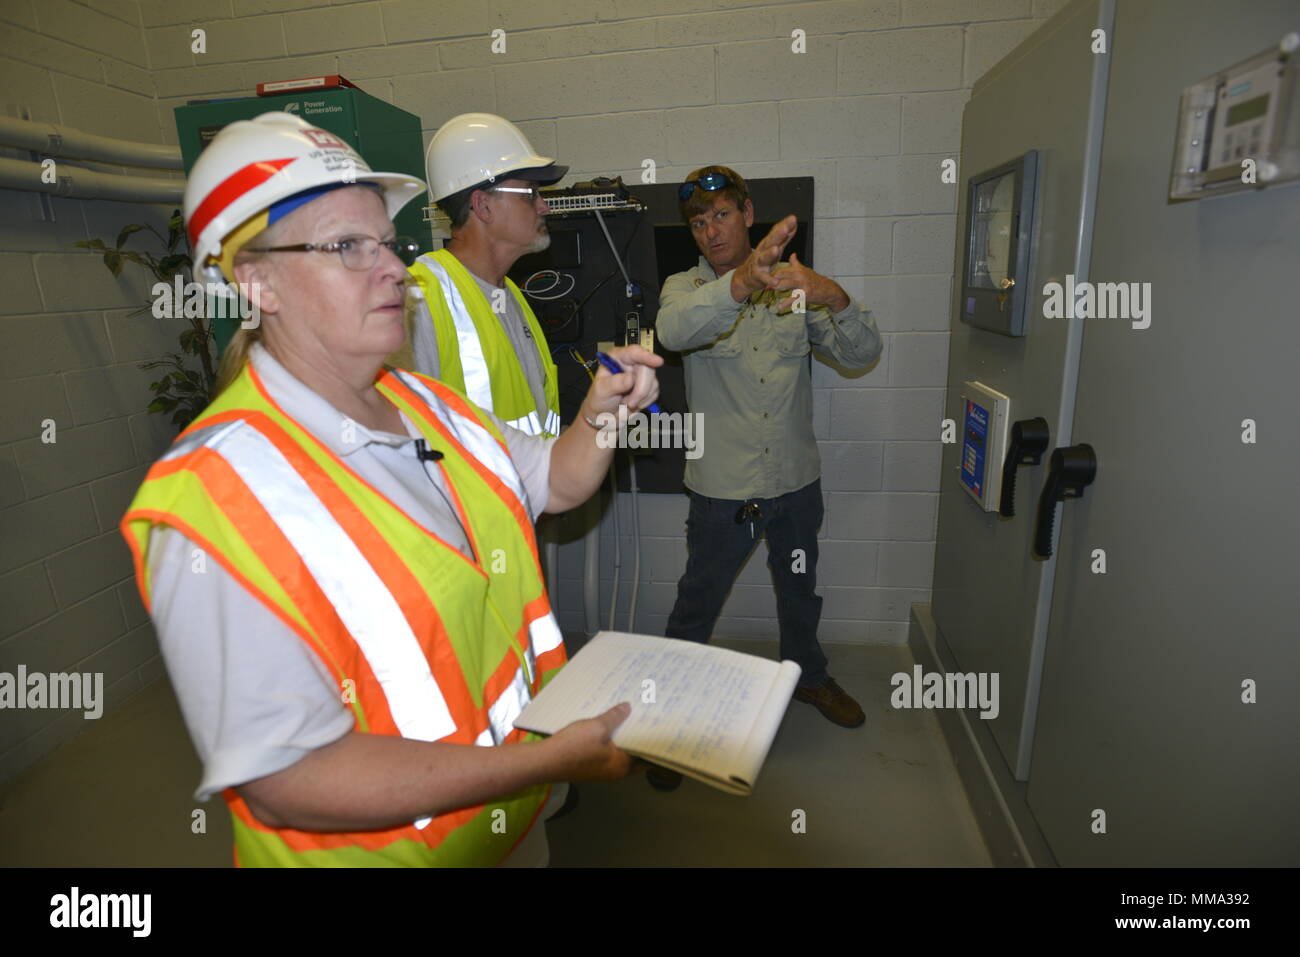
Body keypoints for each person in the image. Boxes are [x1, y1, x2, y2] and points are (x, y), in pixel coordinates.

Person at [119, 112, 662, 866]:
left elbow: (556, 481)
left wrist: (601, 417)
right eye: (346, 246)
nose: (395, 270)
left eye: (387, 242)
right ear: (255, 281)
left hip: (507, 829)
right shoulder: (215, 499)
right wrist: (542, 761)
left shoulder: (426, 405)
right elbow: (291, 775)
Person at [651, 166, 882, 789]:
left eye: (721, 215)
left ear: (746, 213)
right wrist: (737, 285)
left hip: (794, 487)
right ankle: (669, 713)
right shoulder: (685, 288)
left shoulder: (793, 287)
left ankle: (808, 677)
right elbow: (672, 333)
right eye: (698, 223)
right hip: (721, 494)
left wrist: (833, 294)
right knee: (697, 602)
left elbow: (860, 353)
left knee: (799, 592)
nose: (710, 232)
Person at [406, 112, 565, 437]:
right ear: (483, 205)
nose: (544, 206)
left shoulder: (509, 294)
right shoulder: (420, 294)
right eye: (531, 192)